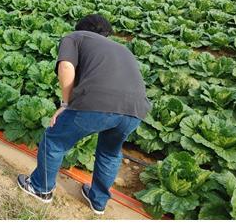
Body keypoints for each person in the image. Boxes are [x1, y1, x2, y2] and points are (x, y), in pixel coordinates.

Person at [17, 14, 151, 214]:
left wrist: (66, 103)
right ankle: (98, 201)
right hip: (136, 110)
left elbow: (66, 66)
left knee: (54, 140)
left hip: (98, 101)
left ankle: (40, 188)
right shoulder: (122, 49)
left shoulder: (75, 37)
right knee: (110, 153)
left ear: (81, 28)